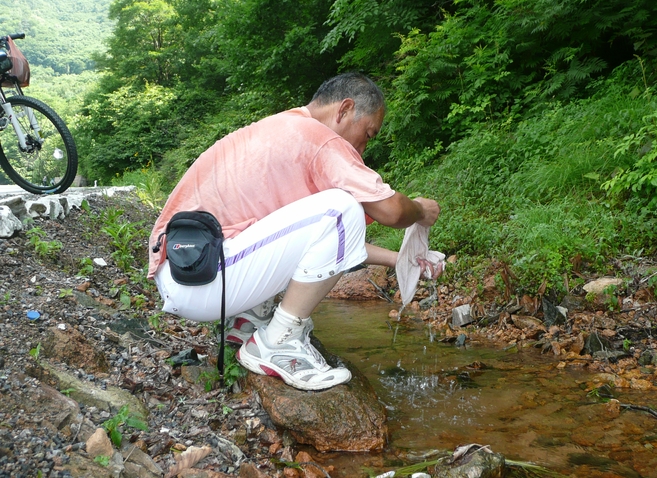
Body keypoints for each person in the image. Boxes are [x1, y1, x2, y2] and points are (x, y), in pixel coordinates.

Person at [148, 72, 441, 391]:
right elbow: (392, 210)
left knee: (337, 214)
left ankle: (250, 323)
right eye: (368, 134)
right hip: (202, 277)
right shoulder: (318, 137)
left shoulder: (284, 130)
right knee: (343, 208)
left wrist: (400, 259)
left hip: (188, 270)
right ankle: (278, 343)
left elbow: (316, 245)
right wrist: (422, 210)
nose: (364, 148)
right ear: (344, 110)